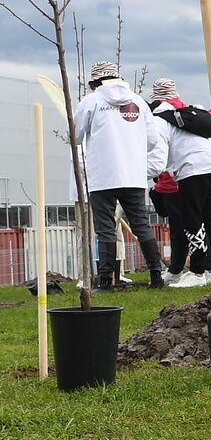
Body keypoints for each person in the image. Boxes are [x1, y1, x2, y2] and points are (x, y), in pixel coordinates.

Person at [73, 61, 167, 290]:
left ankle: (106, 280)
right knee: (141, 225)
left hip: (102, 176)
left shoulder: (91, 101)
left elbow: (74, 135)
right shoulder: (138, 102)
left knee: (105, 228)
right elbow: (154, 139)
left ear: (95, 82)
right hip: (133, 175)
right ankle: (156, 275)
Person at [151, 78, 211, 287]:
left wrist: (146, 171)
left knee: (192, 218)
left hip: (191, 168)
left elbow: (159, 153)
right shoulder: (191, 111)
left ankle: (197, 272)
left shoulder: (160, 118)